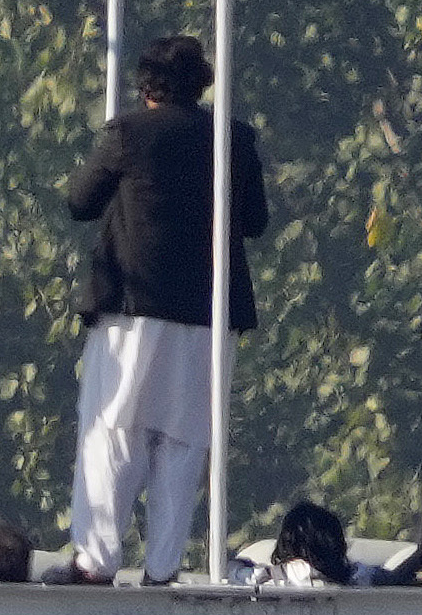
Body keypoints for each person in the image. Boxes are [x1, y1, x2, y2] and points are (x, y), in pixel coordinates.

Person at [60, 34, 268, 583]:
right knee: (183, 440)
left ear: (146, 85)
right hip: (208, 314)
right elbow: (255, 222)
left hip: (136, 304)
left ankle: (97, 559)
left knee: (114, 428)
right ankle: (163, 566)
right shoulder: (234, 139)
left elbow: (80, 201)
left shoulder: (128, 132)